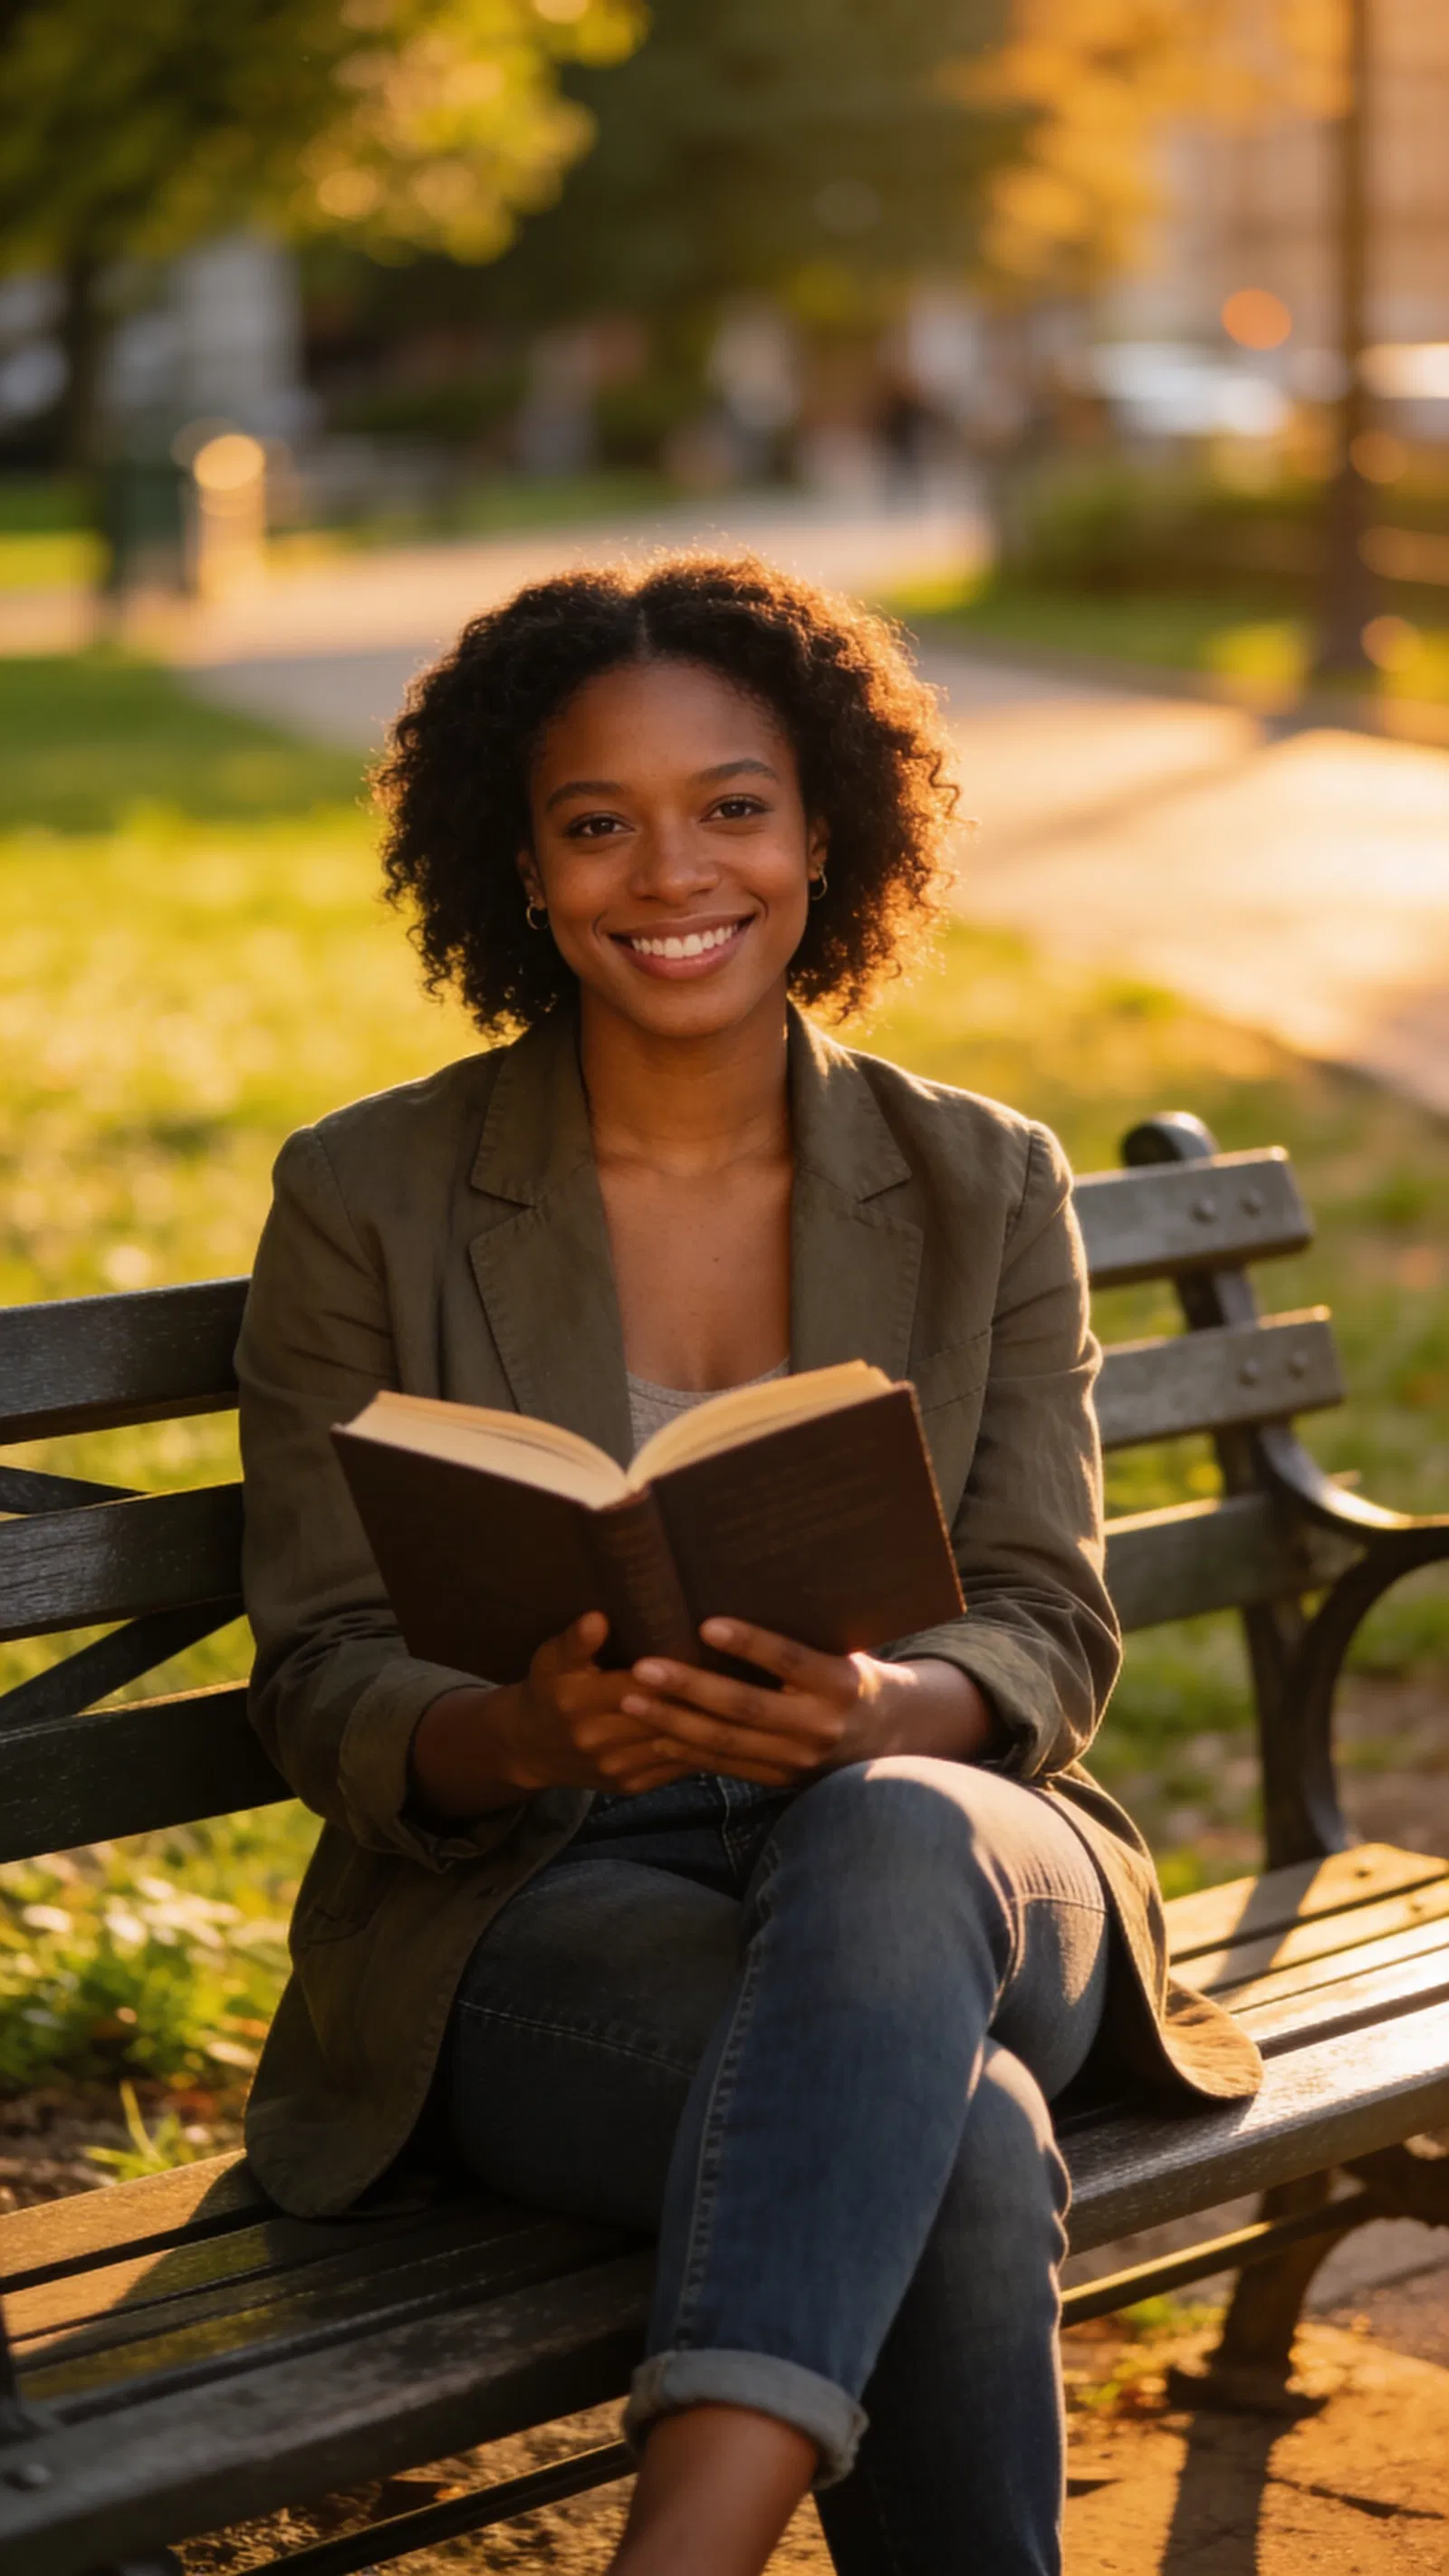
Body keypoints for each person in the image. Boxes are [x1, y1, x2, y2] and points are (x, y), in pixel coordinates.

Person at [236, 554, 1261, 2576]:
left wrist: (895, 1702)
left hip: (954, 1863)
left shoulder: (983, 1180)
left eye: (730, 805)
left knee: (888, 1821)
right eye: (594, 822)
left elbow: (1048, 1615)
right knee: (955, 2145)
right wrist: (522, 1730)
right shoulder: (366, 1192)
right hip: (548, 1900)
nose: (666, 871)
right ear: (514, 865)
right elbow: (322, 1671)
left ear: (824, 835)